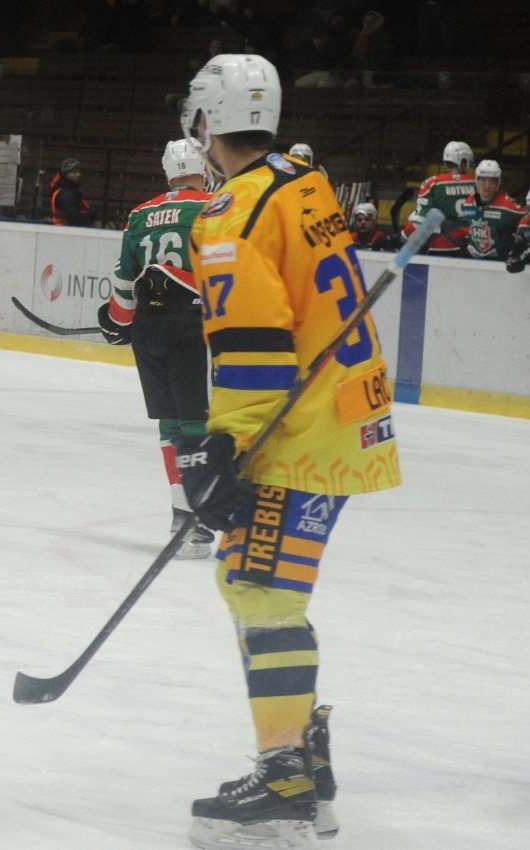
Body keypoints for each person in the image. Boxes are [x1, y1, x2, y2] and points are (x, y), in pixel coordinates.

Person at [174, 53, 400, 850]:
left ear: (207, 120)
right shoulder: (305, 181)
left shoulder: (230, 215)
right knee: (253, 583)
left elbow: (255, 346)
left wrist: (223, 448)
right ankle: (305, 761)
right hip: (341, 414)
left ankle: (285, 783)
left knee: (259, 589)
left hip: (298, 430)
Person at [97, 139, 217, 560]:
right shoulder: (215, 206)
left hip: (149, 328)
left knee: (170, 423)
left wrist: (117, 323)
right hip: (192, 324)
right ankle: (197, 520)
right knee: (198, 420)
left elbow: (124, 286)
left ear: (168, 174)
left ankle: (182, 516)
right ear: (204, 169)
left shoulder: (139, 214)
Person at [403, 141, 475, 256]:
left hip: (442, 244)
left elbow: (420, 220)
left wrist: (403, 235)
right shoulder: (477, 184)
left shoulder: (432, 183)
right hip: (472, 244)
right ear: (462, 161)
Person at [464, 160, 524, 261]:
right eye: (483, 180)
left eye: (492, 181)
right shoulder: (469, 202)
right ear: (476, 180)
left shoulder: (508, 205)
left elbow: (528, 222)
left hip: (499, 262)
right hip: (473, 261)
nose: (487, 186)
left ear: (498, 183)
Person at [49, 157, 96, 226]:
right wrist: (92, 215)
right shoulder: (65, 194)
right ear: (66, 174)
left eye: (78, 171)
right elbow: (74, 217)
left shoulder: (64, 191)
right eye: (74, 172)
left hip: (64, 228)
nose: (78, 174)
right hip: (67, 229)